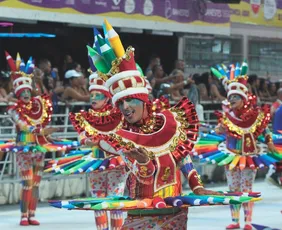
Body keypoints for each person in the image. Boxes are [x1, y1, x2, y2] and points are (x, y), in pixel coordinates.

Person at [88, 20, 220, 229]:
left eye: (130, 100)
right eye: (120, 102)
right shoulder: (120, 135)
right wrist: (143, 164)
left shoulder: (171, 121)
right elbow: (138, 170)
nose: (125, 107)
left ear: (144, 99)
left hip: (174, 210)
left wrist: (197, 186)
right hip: (142, 211)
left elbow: (183, 158)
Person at [4, 51, 76, 226]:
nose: (27, 94)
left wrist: (47, 132)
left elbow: (43, 118)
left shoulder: (38, 106)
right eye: (23, 92)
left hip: (39, 147)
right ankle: (23, 215)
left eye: (28, 91)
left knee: (36, 182)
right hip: (24, 147)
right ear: (18, 93)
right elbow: (24, 126)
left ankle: (32, 213)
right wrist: (42, 131)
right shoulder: (14, 109)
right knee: (27, 182)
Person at [211, 62, 276, 230]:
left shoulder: (254, 116)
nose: (231, 99)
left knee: (247, 189)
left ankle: (247, 221)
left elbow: (264, 130)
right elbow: (220, 130)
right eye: (230, 97)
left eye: (235, 97)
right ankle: (235, 221)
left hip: (249, 158)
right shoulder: (227, 116)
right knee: (233, 189)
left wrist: (269, 142)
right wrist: (219, 130)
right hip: (231, 155)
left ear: (244, 99)